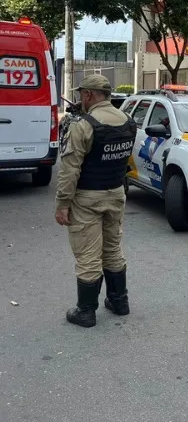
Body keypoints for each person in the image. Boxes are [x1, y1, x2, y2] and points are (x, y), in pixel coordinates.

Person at [55, 75, 138, 328]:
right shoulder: (128, 122)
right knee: (112, 249)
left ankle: (86, 311)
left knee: (88, 255)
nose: (81, 99)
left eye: (82, 94)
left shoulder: (83, 125)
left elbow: (70, 170)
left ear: (89, 95)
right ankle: (119, 301)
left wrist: (62, 203)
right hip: (115, 194)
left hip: (87, 199)